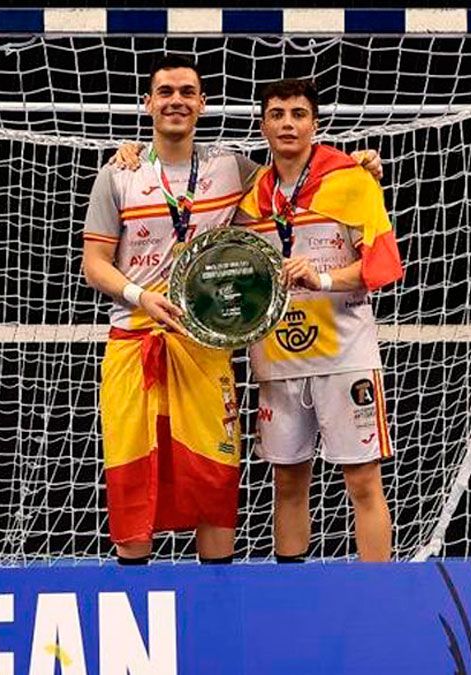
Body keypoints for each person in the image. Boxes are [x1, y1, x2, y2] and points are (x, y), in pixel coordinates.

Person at [83, 56, 380, 565]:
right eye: (165, 92)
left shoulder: (232, 169)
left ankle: (216, 604)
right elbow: (94, 264)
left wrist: (357, 165)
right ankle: (133, 599)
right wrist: (139, 296)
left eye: (187, 92)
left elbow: (296, 177)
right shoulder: (119, 174)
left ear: (201, 104)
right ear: (148, 103)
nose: (176, 100)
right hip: (135, 343)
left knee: (213, 480)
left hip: (206, 350)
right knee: (134, 476)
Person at [236, 78, 404, 562]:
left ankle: (377, 597)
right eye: (277, 114)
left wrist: (323, 280)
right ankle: (291, 593)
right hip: (276, 357)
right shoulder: (250, 198)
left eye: (298, 114)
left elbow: (380, 265)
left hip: (344, 355)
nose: (288, 123)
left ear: (315, 123)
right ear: (263, 123)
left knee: (363, 480)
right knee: (286, 480)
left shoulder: (352, 180)